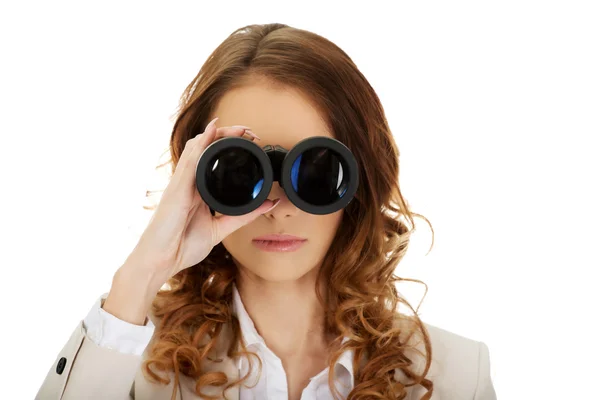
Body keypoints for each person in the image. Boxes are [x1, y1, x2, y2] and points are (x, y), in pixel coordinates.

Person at [35, 23, 497, 400]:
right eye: (240, 171)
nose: (279, 207)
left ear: (359, 181)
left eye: (315, 173)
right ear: (197, 180)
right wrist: (141, 273)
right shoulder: (132, 358)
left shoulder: (455, 376)